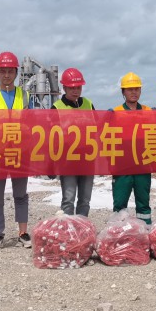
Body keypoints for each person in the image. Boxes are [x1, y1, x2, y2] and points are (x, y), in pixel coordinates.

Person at [0, 51, 33, 248]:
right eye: (3, 71)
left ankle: (23, 233)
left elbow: (32, 123)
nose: (6, 75)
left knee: (21, 195)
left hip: (20, 152)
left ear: (16, 73)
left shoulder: (24, 96)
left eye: (10, 71)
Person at [52, 67, 96, 216]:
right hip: (67, 161)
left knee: (85, 200)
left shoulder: (88, 104)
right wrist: (51, 164)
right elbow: (50, 137)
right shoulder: (57, 108)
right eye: (72, 88)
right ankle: (68, 228)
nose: (75, 91)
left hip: (87, 160)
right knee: (68, 200)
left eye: (78, 87)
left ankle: (82, 227)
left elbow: (98, 128)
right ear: (64, 87)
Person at [111, 72, 152, 224]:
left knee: (143, 203)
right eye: (130, 89)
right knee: (120, 203)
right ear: (123, 92)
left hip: (143, 164)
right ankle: (119, 233)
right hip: (122, 165)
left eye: (137, 89)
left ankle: (145, 231)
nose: (134, 92)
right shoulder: (116, 113)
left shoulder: (148, 112)